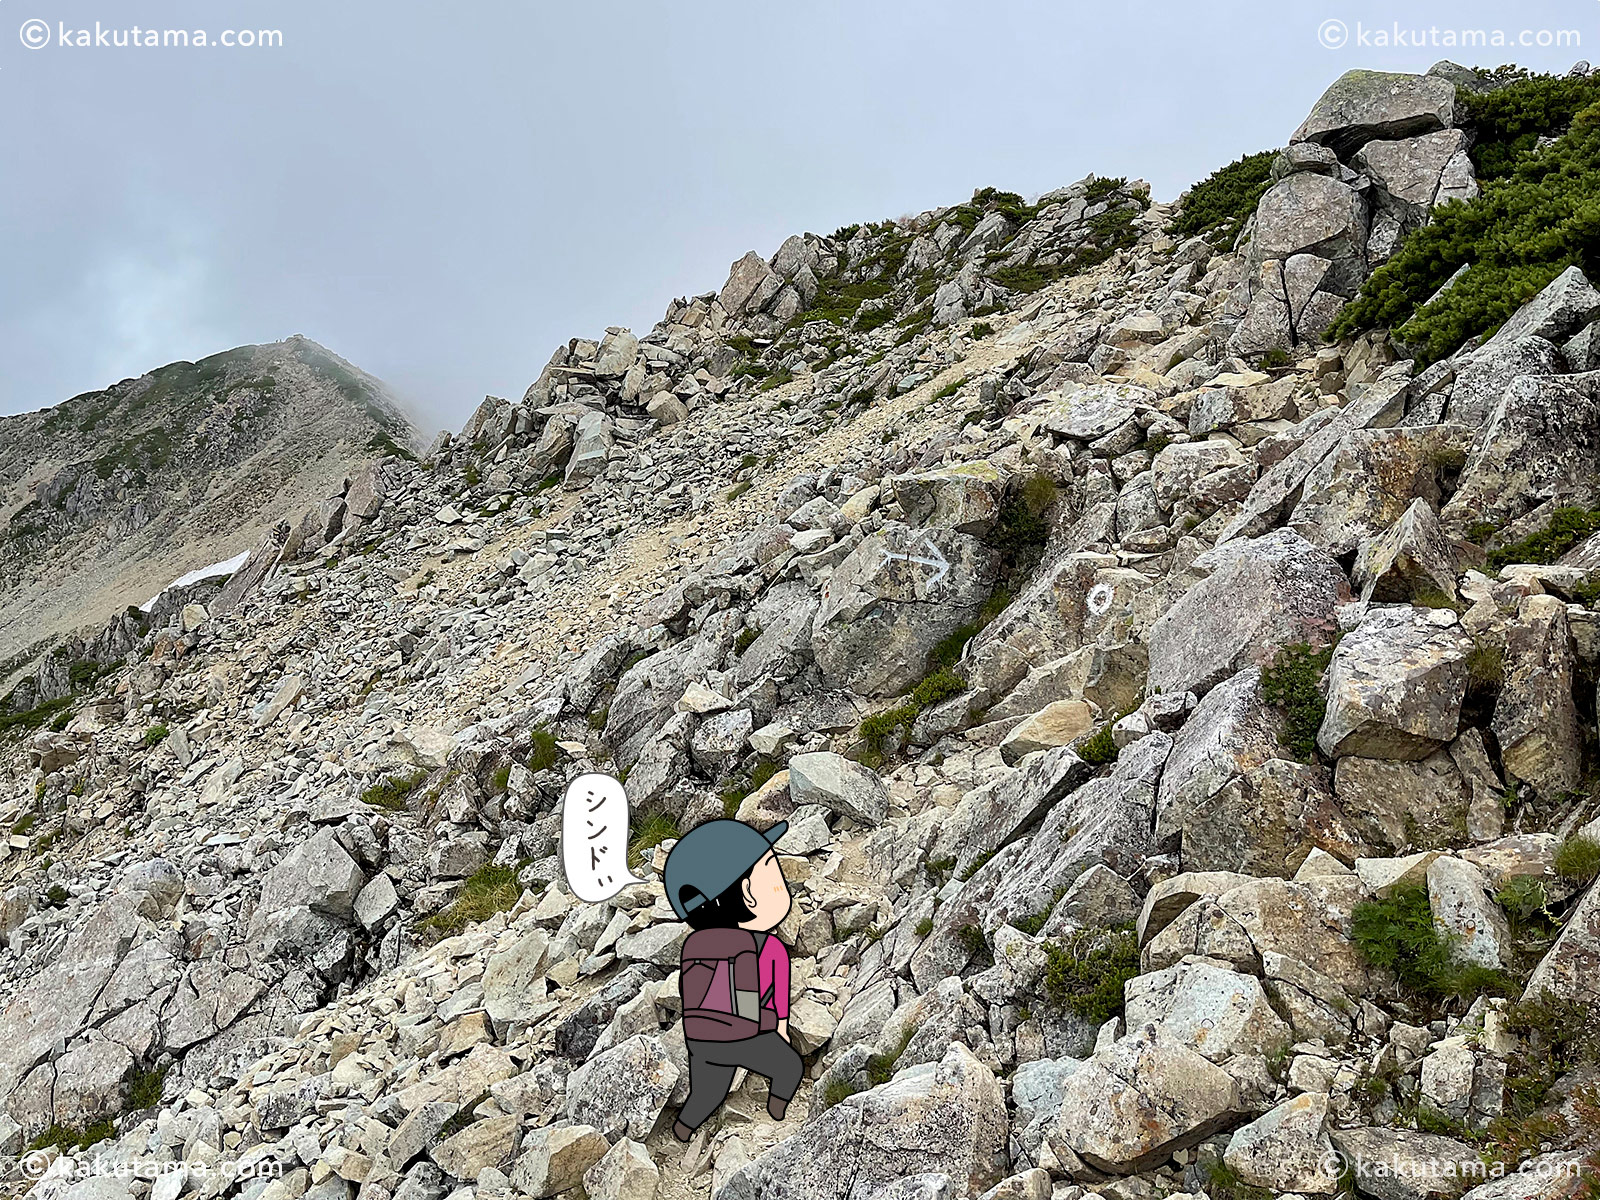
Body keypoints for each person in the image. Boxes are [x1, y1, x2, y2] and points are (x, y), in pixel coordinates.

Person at [663, 818, 802, 1142]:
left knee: (708, 1092)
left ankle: (683, 1131)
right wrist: (778, 1028)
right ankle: (779, 1115)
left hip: (700, 1037)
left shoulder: (693, 944)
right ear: (748, 895)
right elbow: (775, 1001)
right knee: (789, 1068)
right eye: (771, 871)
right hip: (743, 1035)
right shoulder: (768, 945)